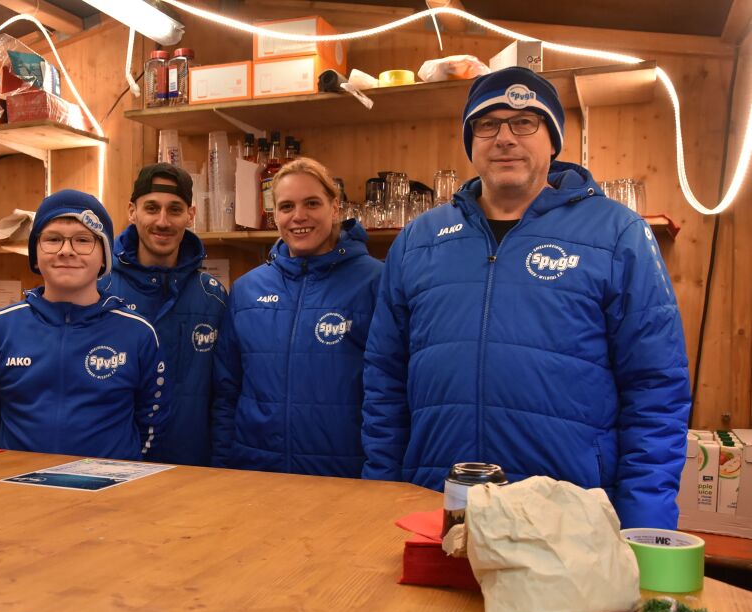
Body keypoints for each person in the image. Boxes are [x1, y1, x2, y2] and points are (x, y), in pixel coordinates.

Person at [361, 67, 691, 529]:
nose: (504, 138)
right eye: (488, 124)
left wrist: (647, 522)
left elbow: (656, 389)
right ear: (471, 142)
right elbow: (384, 382)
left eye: (524, 122)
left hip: (570, 514)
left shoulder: (618, 234)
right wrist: (381, 492)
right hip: (434, 501)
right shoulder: (419, 240)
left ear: (552, 140)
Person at [0, 189, 168, 460]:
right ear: (35, 254)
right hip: (17, 490)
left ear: (104, 257)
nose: (66, 251)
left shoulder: (138, 333)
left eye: (83, 240)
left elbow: (152, 426)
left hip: (111, 494)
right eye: (53, 239)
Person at [213, 157, 383, 477]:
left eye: (312, 203)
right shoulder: (247, 290)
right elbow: (226, 393)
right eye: (286, 206)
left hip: (345, 474)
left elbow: (390, 393)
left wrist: (381, 473)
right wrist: (222, 469)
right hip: (256, 473)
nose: (298, 216)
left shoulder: (376, 282)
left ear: (335, 208)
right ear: (275, 214)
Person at [100, 163, 227, 466]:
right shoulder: (99, 290)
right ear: (132, 211)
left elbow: (226, 393)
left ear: (190, 215)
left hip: (192, 468)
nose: (163, 221)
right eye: (151, 208)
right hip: (114, 465)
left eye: (175, 210)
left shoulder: (213, 296)